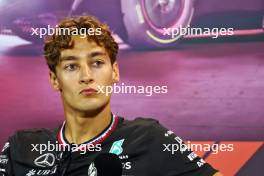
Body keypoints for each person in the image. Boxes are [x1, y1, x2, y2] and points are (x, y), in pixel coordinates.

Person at [0, 16, 222, 176]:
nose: (86, 76)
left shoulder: (149, 138)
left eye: (97, 63)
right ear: (54, 79)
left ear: (114, 72)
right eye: (71, 66)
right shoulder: (21, 146)